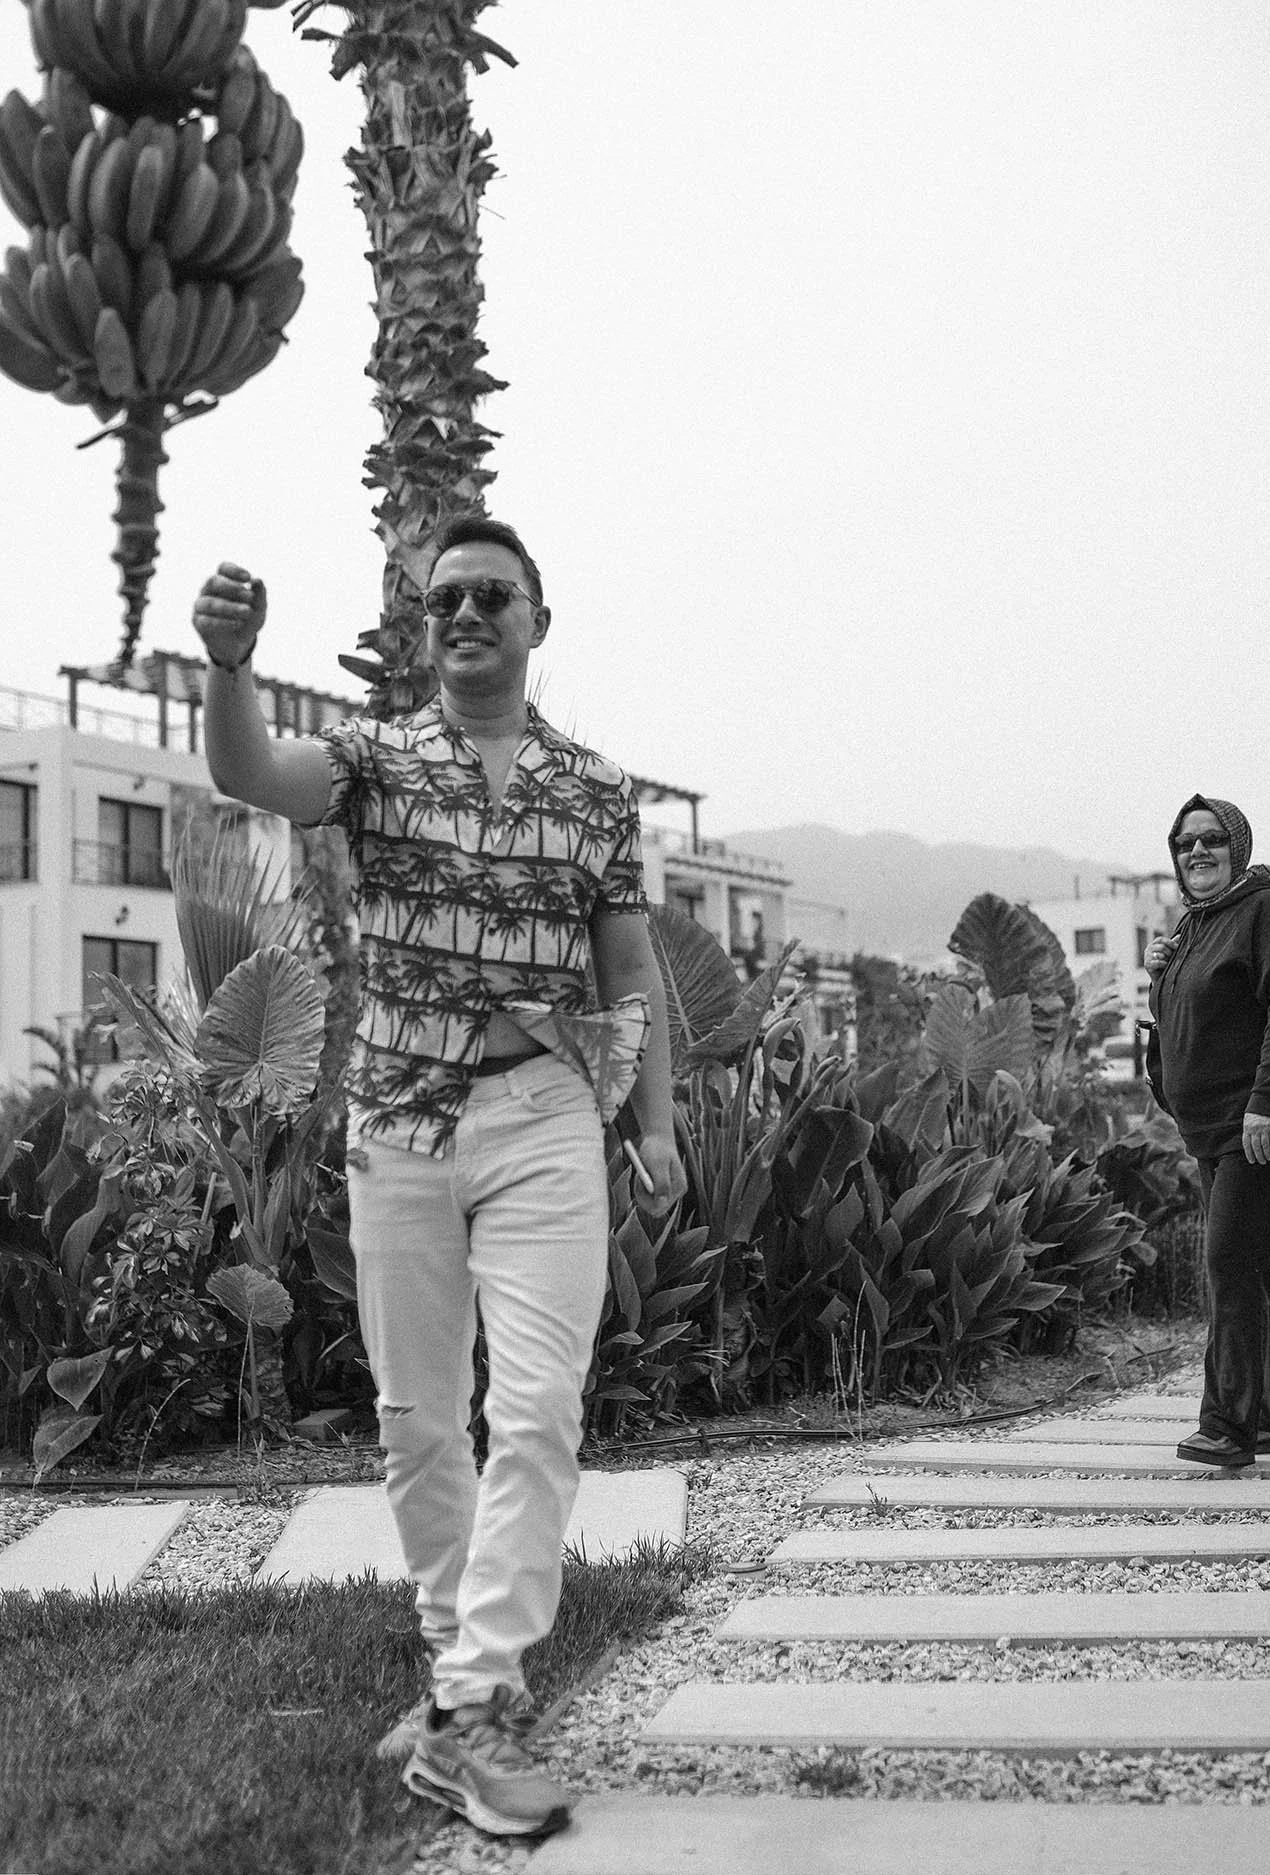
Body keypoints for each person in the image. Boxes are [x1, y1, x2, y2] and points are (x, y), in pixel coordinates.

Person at [191, 516, 687, 1839]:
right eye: (445, 598)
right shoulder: (374, 758)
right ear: (426, 626)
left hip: (543, 1118)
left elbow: (630, 970)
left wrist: (660, 1123)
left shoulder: (595, 789)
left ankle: (471, 1710)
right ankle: (454, 1677)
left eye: (492, 595)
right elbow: (253, 768)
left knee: (535, 1416)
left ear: (537, 618)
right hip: (400, 1123)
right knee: (419, 1416)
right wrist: (230, 668)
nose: (466, 612)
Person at [1144, 794, 1270, 1469]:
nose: (1197, 850)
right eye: (1185, 841)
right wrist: (1160, 978)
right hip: (1214, 1127)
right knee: (1258, 1266)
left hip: (1263, 1121)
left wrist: (1267, 1104)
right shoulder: (1197, 925)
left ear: (1237, 845)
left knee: (1229, 1261)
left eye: (1211, 838)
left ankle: (1227, 1424)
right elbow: (1181, 1021)